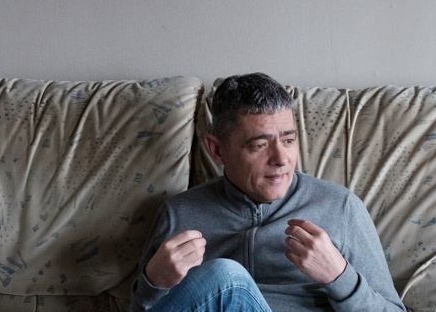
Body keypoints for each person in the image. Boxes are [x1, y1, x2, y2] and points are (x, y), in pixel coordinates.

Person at [128, 73, 406, 312]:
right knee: (224, 279)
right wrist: (154, 283)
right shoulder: (179, 213)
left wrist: (339, 277)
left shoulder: (340, 207)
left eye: (288, 140)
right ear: (217, 150)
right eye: (259, 145)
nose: (281, 159)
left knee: (226, 279)